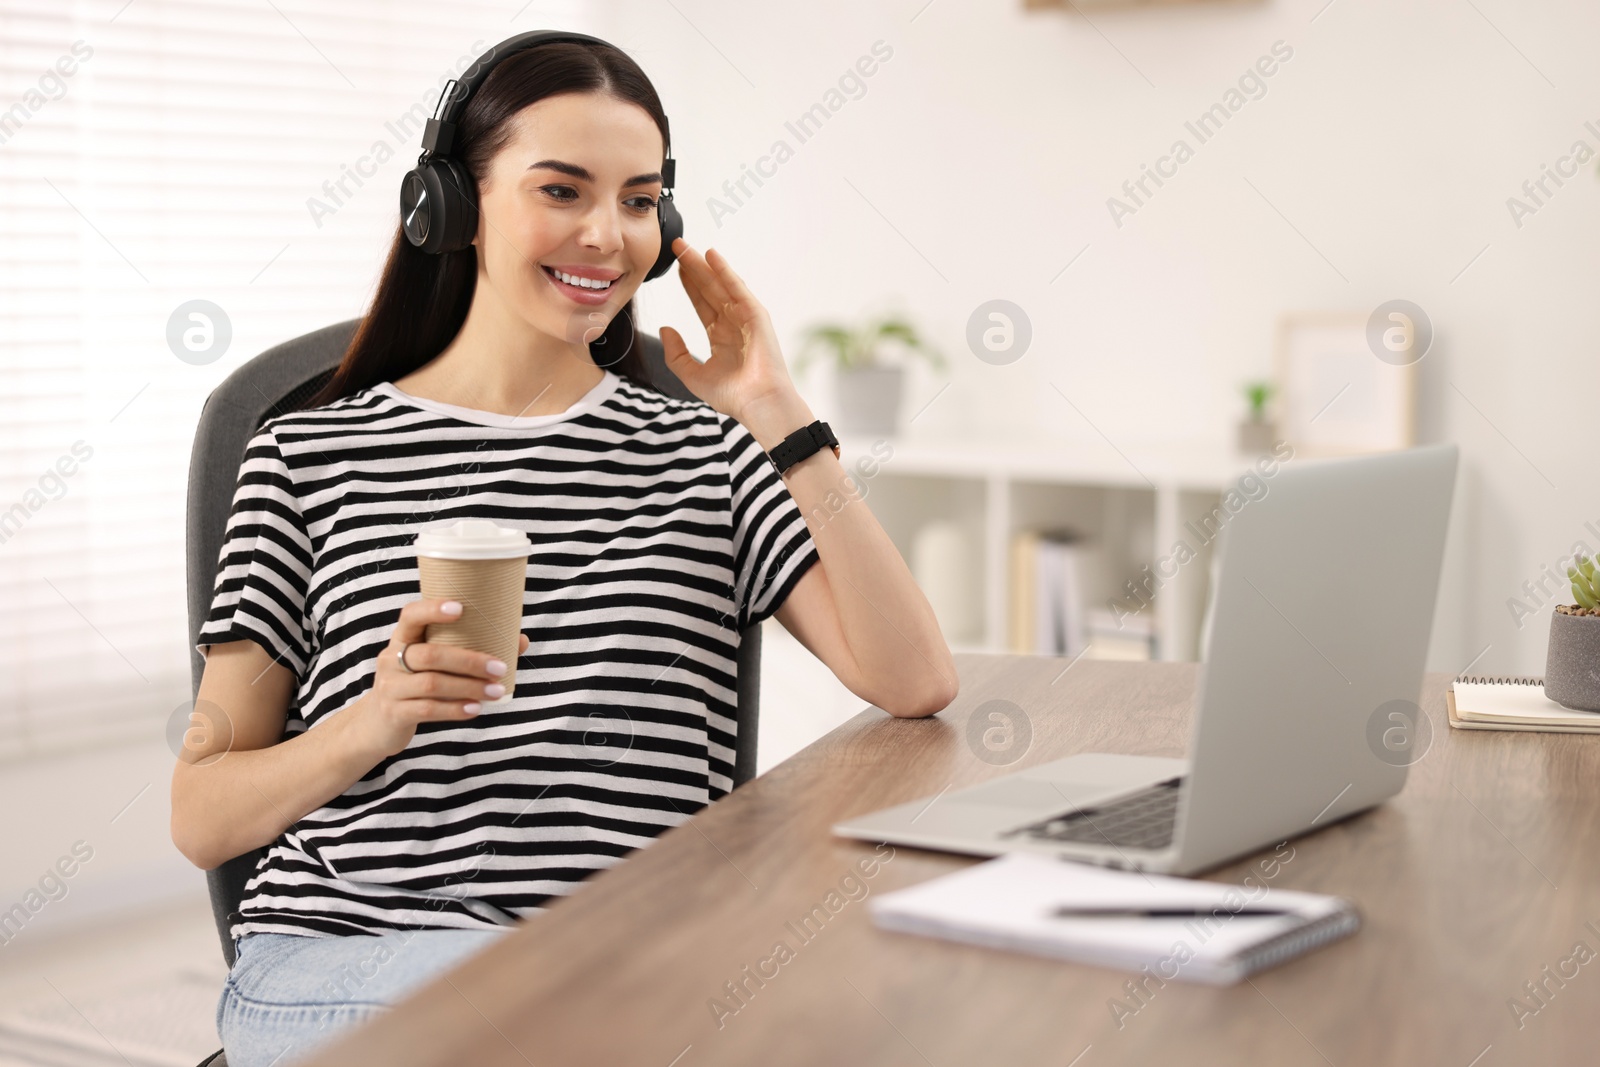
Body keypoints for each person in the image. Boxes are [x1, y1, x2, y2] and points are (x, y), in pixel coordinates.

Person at [171, 33, 957, 1067]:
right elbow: (201, 811)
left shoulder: (703, 450)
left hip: (629, 966)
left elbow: (913, 675)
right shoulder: (308, 456)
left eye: (638, 201)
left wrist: (776, 409)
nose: (606, 235)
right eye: (562, 190)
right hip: (350, 963)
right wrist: (373, 719)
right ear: (450, 207)